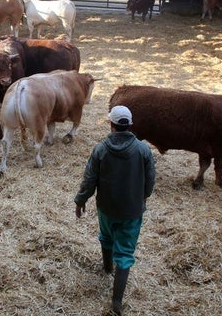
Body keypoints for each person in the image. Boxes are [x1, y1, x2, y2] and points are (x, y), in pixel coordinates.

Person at [74, 105, 155, 315]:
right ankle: (117, 301)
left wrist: (80, 200)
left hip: (106, 208)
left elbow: (89, 179)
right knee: (125, 252)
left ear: (111, 125)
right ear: (130, 125)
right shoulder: (143, 149)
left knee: (106, 237)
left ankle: (107, 268)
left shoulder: (100, 149)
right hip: (132, 211)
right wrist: (143, 197)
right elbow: (150, 180)